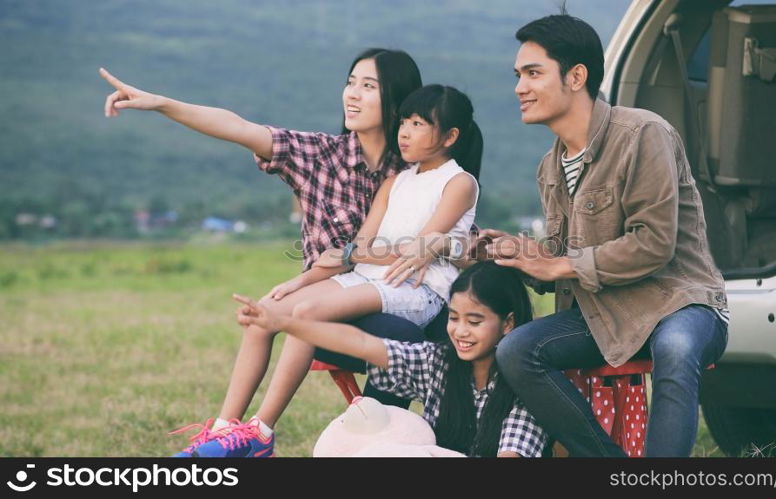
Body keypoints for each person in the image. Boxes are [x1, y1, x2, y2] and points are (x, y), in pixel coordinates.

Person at [99, 49, 436, 445]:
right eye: (350, 83)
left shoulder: (418, 171)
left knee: (400, 335)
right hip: (323, 304)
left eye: (368, 86)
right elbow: (238, 127)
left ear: (397, 97)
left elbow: (452, 222)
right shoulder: (319, 155)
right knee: (264, 314)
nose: (352, 95)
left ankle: (376, 443)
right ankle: (227, 435)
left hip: (388, 307)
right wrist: (161, 104)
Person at [173, 84, 483, 457]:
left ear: (450, 136)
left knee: (308, 315)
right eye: (404, 121)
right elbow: (358, 251)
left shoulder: (459, 182)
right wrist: (299, 280)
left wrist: (367, 251)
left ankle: (261, 432)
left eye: (419, 124)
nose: (405, 131)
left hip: (417, 290)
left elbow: (421, 246)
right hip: (368, 278)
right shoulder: (394, 182)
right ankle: (223, 433)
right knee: (265, 314)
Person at [482, 14, 729, 457]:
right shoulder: (549, 168)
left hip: (678, 302)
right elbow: (563, 260)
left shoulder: (643, 133)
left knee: (674, 347)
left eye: (533, 73)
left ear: (576, 76)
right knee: (517, 350)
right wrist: (523, 255)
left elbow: (653, 243)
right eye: (518, 75)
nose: (520, 87)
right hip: (602, 314)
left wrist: (559, 262)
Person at [234, 261, 548, 457]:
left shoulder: (525, 385)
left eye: (475, 322)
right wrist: (283, 322)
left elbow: (513, 455)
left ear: (507, 323)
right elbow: (362, 344)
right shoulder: (439, 362)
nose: (460, 332)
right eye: (453, 318)